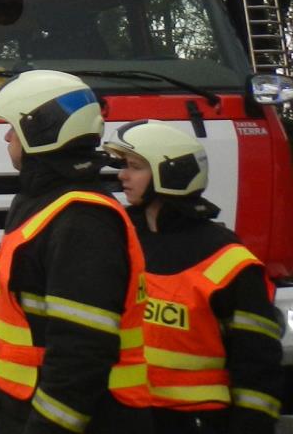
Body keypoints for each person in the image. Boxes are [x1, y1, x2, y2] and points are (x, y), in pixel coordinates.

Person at [0, 69, 151, 434]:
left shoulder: (83, 221)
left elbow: (80, 354)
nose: (7, 136)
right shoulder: (46, 205)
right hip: (18, 409)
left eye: (13, 127)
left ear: (39, 131)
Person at [103, 121, 284, 433]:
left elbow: (258, 364)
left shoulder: (228, 259)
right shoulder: (118, 239)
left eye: (134, 167)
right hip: (126, 413)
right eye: (124, 166)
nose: (122, 176)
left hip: (196, 421)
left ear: (169, 174)